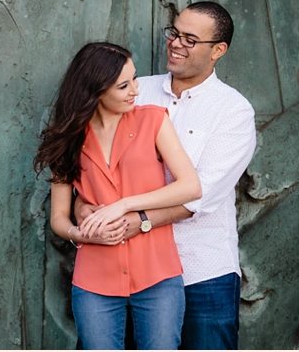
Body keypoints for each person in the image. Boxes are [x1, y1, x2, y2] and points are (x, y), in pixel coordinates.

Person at [75, 1, 257, 350]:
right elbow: (94, 162)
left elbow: (200, 196)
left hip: (202, 271)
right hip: (123, 268)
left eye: (190, 39)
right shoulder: (134, 89)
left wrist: (136, 220)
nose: (175, 43)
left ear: (218, 50)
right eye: (174, 32)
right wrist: (85, 208)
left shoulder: (232, 111)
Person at [34, 42, 201, 350]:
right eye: (124, 85)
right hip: (94, 281)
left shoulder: (153, 120)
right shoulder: (68, 138)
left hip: (158, 276)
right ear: (95, 91)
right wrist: (80, 234)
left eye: (135, 79)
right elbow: (59, 216)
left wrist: (124, 206)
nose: (135, 90)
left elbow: (190, 186)